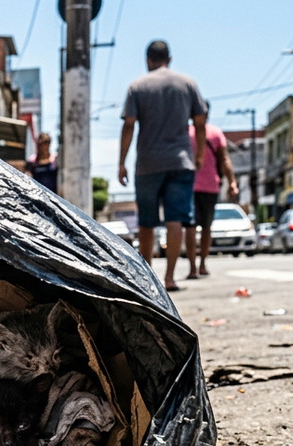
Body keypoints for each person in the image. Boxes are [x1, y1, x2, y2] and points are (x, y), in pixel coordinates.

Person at [118, 40, 207, 291]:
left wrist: (122, 162)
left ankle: (148, 281)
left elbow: (129, 125)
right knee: (175, 219)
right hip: (180, 161)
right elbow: (200, 122)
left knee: (147, 222)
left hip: (148, 163)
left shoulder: (137, 86)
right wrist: (199, 154)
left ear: (147, 60)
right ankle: (169, 277)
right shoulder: (187, 84)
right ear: (170, 59)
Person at [184, 105, 238, 278]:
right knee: (201, 228)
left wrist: (232, 181)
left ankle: (196, 266)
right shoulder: (212, 132)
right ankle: (199, 266)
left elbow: (224, 159)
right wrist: (232, 182)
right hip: (200, 187)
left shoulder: (188, 132)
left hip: (196, 186)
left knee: (197, 227)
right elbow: (224, 159)